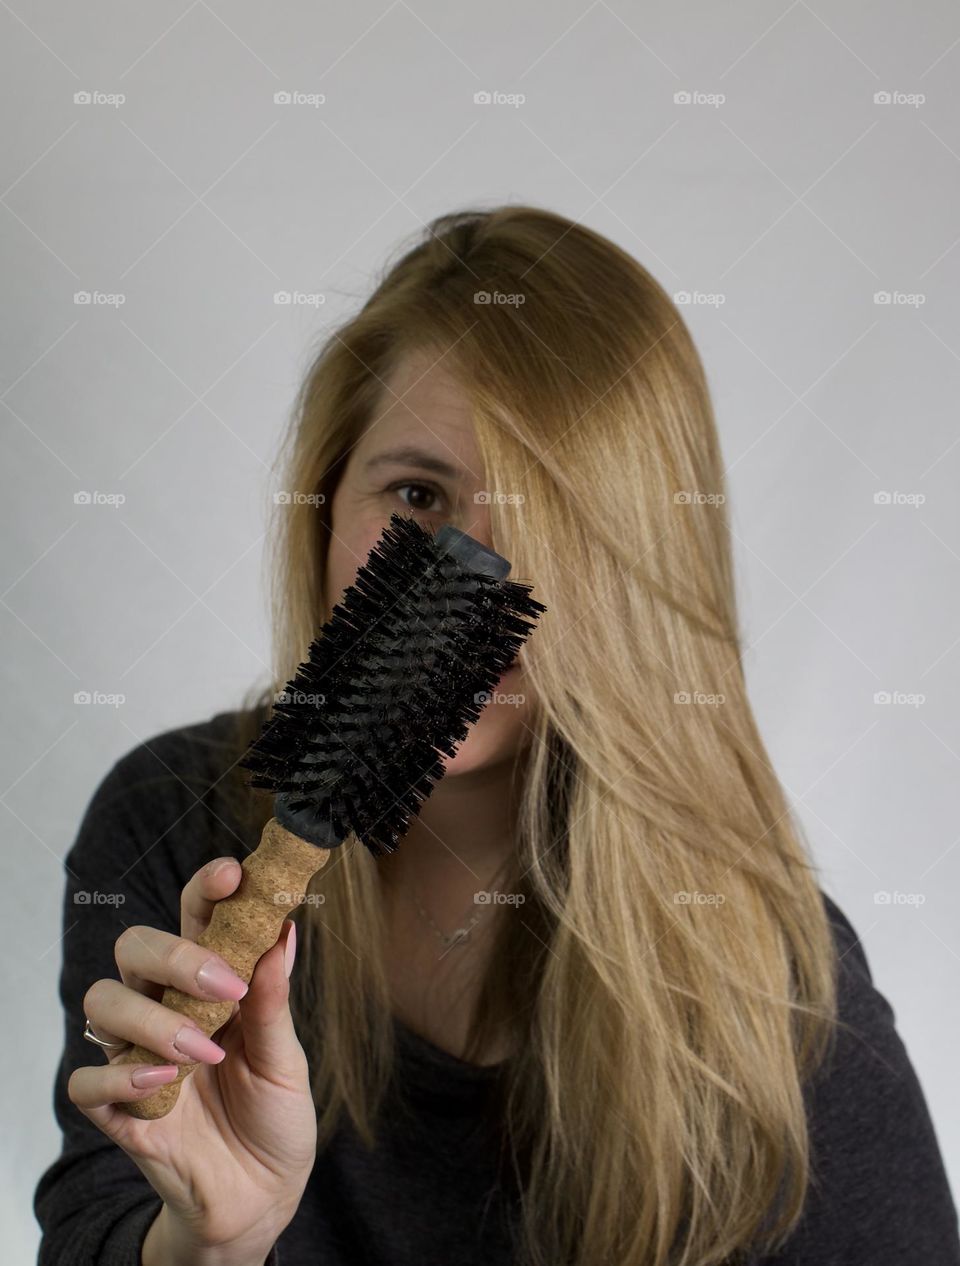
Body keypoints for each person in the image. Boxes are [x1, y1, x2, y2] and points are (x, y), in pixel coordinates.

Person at [35, 206, 960, 1266]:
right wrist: (211, 1242)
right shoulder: (171, 821)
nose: (469, 581)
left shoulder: (768, 984)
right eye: (418, 494)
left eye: (555, 521)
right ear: (326, 507)